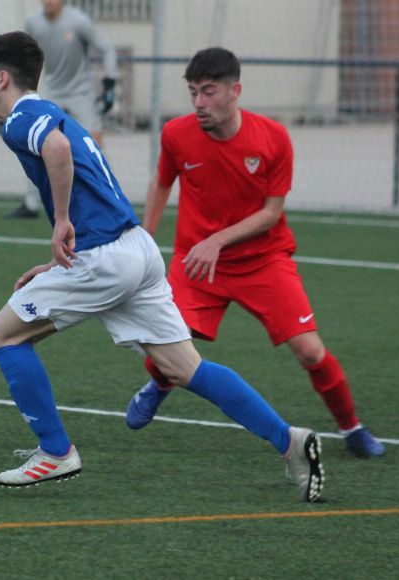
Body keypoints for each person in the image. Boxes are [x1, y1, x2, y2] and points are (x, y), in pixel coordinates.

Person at [0, 31, 325, 502]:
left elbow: (56, 152)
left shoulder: (20, 120)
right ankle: (291, 442)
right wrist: (58, 262)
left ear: (2, 78)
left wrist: (60, 223)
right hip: (135, 249)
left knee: (2, 334)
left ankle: (55, 452)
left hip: (104, 259)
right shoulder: (52, 111)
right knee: (183, 367)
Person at [124, 47, 385, 459]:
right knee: (168, 345)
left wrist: (217, 240)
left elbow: (271, 213)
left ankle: (352, 428)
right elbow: (161, 184)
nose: (198, 103)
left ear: (235, 91)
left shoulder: (273, 137)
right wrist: (144, 239)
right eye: (193, 92)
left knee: (311, 351)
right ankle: (158, 386)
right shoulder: (176, 133)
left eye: (208, 92)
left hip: (263, 260)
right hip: (196, 262)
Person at [8, 0, 118, 219]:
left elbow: (107, 50)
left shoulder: (79, 21)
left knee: (93, 145)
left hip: (80, 94)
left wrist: (109, 82)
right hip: (52, 91)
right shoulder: (33, 22)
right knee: (36, 144)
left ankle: (111, 199)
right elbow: (22, 55)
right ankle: (31, 204)